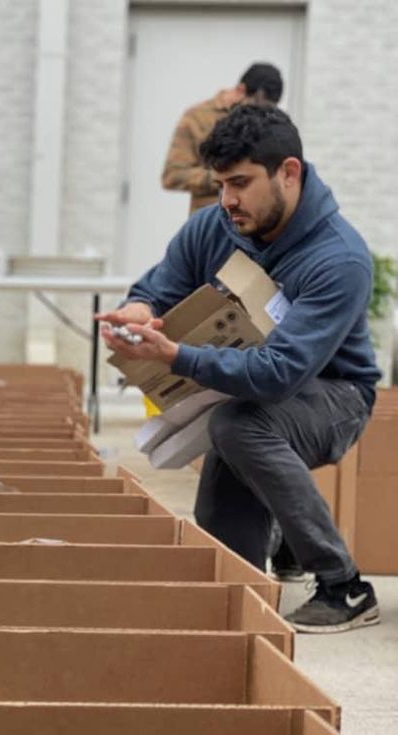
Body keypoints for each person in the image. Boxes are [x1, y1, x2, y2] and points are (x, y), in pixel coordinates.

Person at [99, 105, 380, 633]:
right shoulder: (213, 227)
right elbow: (160, 285)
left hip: (335, 396)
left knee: (239, 425)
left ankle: (344, 586)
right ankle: (273, 556)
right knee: (229, 575)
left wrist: (178, 357)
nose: (227, 199)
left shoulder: (338, 259)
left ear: (289, 173)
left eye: (241, 183)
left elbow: (280, 373)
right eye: (221, 184)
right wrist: (138, 311)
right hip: (250, 391)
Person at [162, 62, 283, 214]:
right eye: (256, 106)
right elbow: (172, 176)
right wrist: (225, 177)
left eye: (268, 109)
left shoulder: (268, 119)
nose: (260, 114)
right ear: (240, 91)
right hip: (211, 224)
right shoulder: (196, 118)